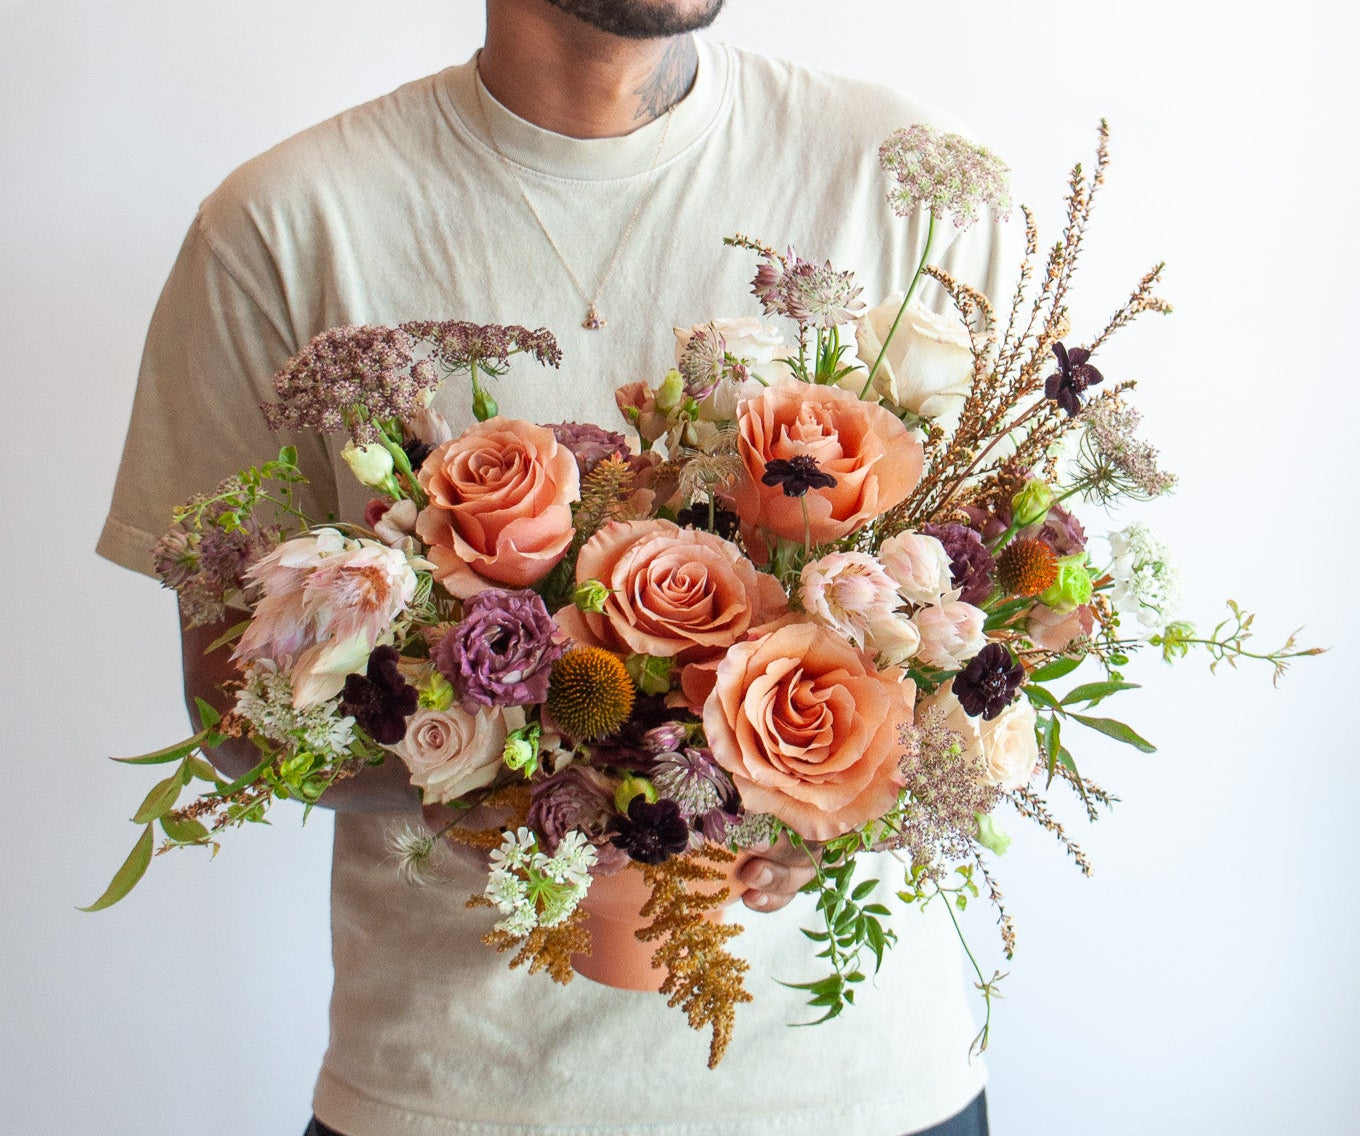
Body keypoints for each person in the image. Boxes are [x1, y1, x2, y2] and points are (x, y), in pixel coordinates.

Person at [99, 2, 1009, 1133]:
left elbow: (1011, 626)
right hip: (456, 1093)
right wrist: (542, 779)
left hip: (866, 1090)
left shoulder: (909, 184)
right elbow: (234, 700)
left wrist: (836, 793)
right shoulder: (288, 221)